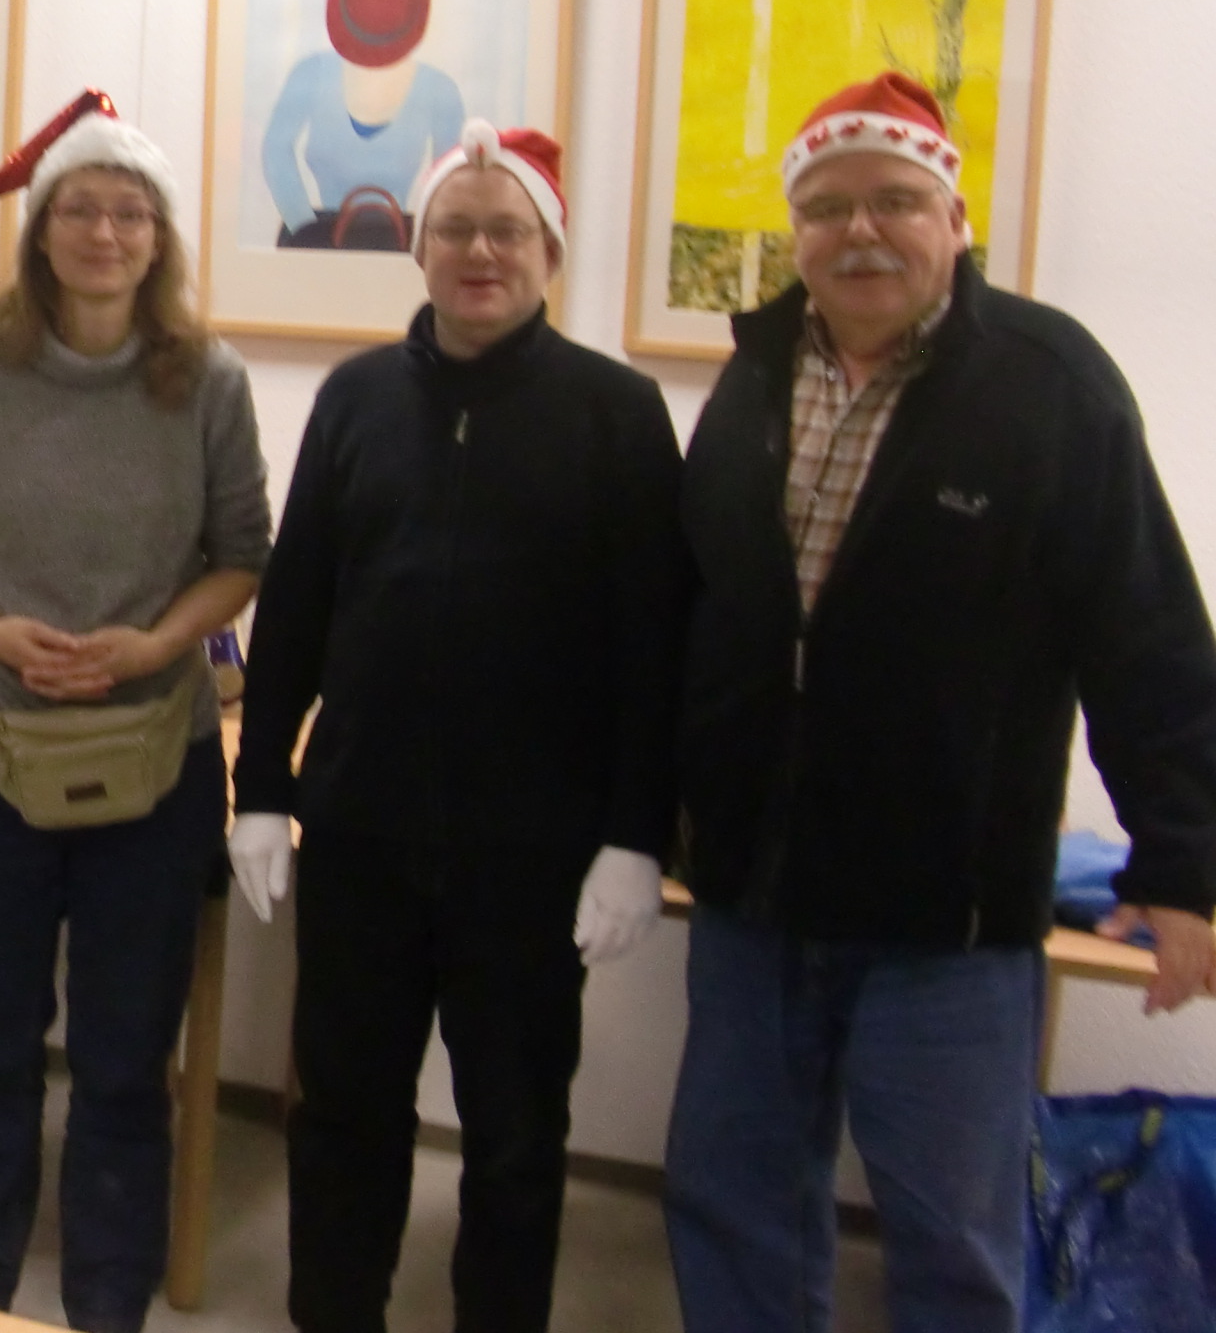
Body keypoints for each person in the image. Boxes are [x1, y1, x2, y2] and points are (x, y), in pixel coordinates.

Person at [662, 72, 1216, 1333]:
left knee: (954, 1241)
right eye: (828, 206)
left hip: (947, 919)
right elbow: (695, 614)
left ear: (954, 219)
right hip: (753, 895)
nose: (860, 230)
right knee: (733, 1206)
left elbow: (1147, 636)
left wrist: (1182, 867)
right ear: (795, 231)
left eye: (896, 202)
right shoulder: (754, 377)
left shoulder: (1050, 384)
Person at [229, 121, 688, 1333]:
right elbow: (297, 603)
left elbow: (653, 646)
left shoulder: (618, 413)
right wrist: (262, 787)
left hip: (531, 860)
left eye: (507, 231)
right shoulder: (356, 398)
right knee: (342, 1123)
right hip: (362, 838)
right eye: (456, 229)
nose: (481, 252)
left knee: (515, 1140)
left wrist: (636, 835)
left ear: (549, 252)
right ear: (419, 247)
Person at [0, 91, 273, 1333]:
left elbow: (242, 553)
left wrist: (157, 643)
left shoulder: (208, 382)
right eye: (80, 210)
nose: (104, 233)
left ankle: (107, 1304)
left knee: (122, 1066)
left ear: (157, 238)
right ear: (40, 231)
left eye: (128, 213)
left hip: (153, 764)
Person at [261, 0, 465, 248]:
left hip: (403, 244)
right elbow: (275, 151)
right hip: (315, 241)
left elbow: (452, 180)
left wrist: (428, 234)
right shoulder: (311, 74)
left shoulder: (438, 89)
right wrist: (302, 224)